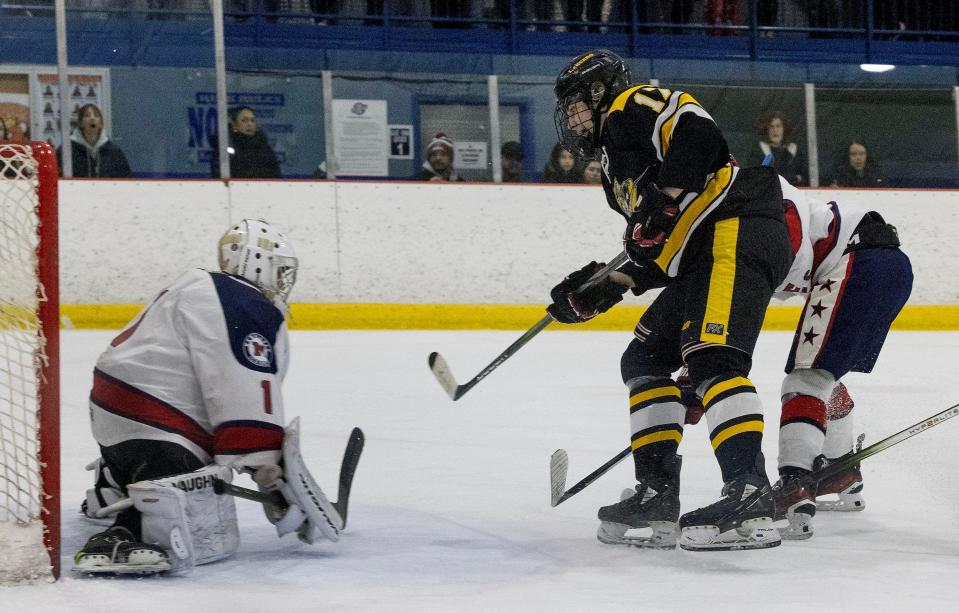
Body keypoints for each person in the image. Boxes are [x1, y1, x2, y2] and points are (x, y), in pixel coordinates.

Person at [548, 49, 793, 551]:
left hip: (736, 225)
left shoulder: (631, 104)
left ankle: (750, 493)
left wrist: (662, 199)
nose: (572, 116)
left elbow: (699, 135)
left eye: (576, 102)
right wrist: (595, 291)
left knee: (711, 357)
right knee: (644, 357)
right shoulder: (616, 172)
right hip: (699, 251)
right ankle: (656, 493)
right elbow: (656, 247)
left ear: (600, 92)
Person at [72, 219, 322, 575]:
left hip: (115, 409)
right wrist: (270, 470)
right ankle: (128, 528)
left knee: (149, 452)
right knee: (190, 477)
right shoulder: (242, 299)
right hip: (159, 415)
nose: (282, 284)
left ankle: (112, 484)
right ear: (257, 262)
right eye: (279, 272)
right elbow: (242, 379)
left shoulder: (197, 286)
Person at [769, 176, 910, 539]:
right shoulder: (762, 207)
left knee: (806, 379)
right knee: (824, 376)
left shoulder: (757, 214)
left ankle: (795, 483)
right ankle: (838, 471)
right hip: (891, 265)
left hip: (857, 262)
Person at [56, 103, 131, 178]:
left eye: (96, 115)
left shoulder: (114, 152)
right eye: (87, 115)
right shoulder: (66, 150)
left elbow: (125, 179)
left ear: (101, 124)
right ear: (81, 123)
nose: (92, 118)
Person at [210, 106, 282, 179]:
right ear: (234, 125)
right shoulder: (227, 146)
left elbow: (276, 175)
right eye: (244, 120)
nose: (249, 124)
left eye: (252, 120)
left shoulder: (264, 147)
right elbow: (219, 175)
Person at [751, 111, 806, 186]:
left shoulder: (793, 150)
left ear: (784, 129)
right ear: (767, 130)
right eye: (771, 126)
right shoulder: (758, 151)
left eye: (778, 126)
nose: (775, 130)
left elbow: (804, 177)